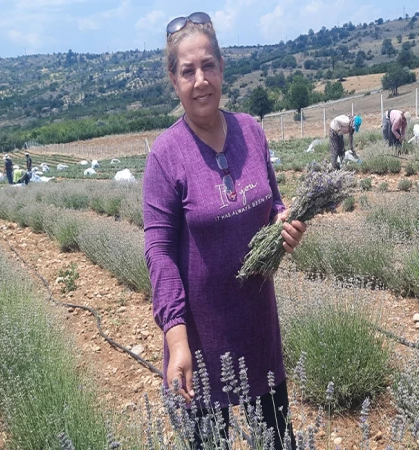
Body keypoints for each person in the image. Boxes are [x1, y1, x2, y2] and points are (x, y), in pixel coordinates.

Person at [143, 11, 305, 450]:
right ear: (174, 81)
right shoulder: (165, 155)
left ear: (222, 68)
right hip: (199, 339)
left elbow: (273, 201)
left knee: (277, 441)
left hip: (257, 328)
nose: (201, 81)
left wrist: (283, 224)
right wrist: (176, 341)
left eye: (208, 66)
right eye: (188, 71)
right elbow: (158, 252)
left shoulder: (251, 131)